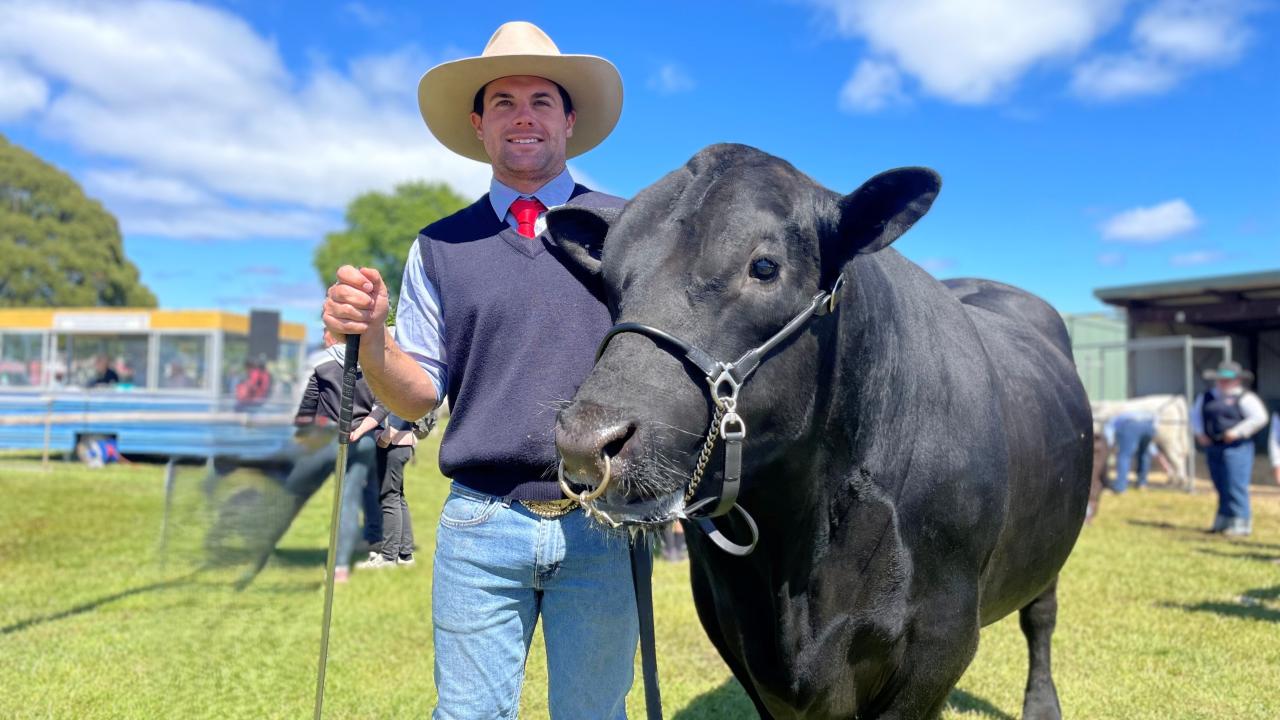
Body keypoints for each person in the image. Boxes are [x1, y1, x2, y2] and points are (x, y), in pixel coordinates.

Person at [323, 21, 636, 718]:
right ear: (478, 124)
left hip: (603, 523)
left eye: (540, 100)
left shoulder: (630, 229)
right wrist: (373, 339)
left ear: (569, 119)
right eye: (503, 102)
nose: (522, 115)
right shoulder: (438, 247)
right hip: (480, 527)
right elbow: (418, 393)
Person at [1192, 361, 1268, 536]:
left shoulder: (1245, 398)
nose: (1222, 383)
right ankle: (1223, 519)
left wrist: (1238, 432)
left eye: (1227, 380)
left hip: (1236, 446)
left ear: (1237, 381)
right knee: (1220, 483)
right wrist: (1199, 433)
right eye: (1220, 380)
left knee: (1235, 484)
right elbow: (1195, 416)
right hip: (1213, 445)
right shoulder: (1206, 397)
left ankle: (1241, 522)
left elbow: (1259, 417)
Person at [1103, 410, 1157, 493]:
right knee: (1144, 455)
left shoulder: (1111, 421)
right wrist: (1154, 451)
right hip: (1149, 426)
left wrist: (1109, 446)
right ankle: (1142, 484)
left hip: (1130, 425)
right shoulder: (1129, 413)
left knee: (1124, 456)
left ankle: (1120, 487)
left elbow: (1108, 435)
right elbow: (1151, 446)